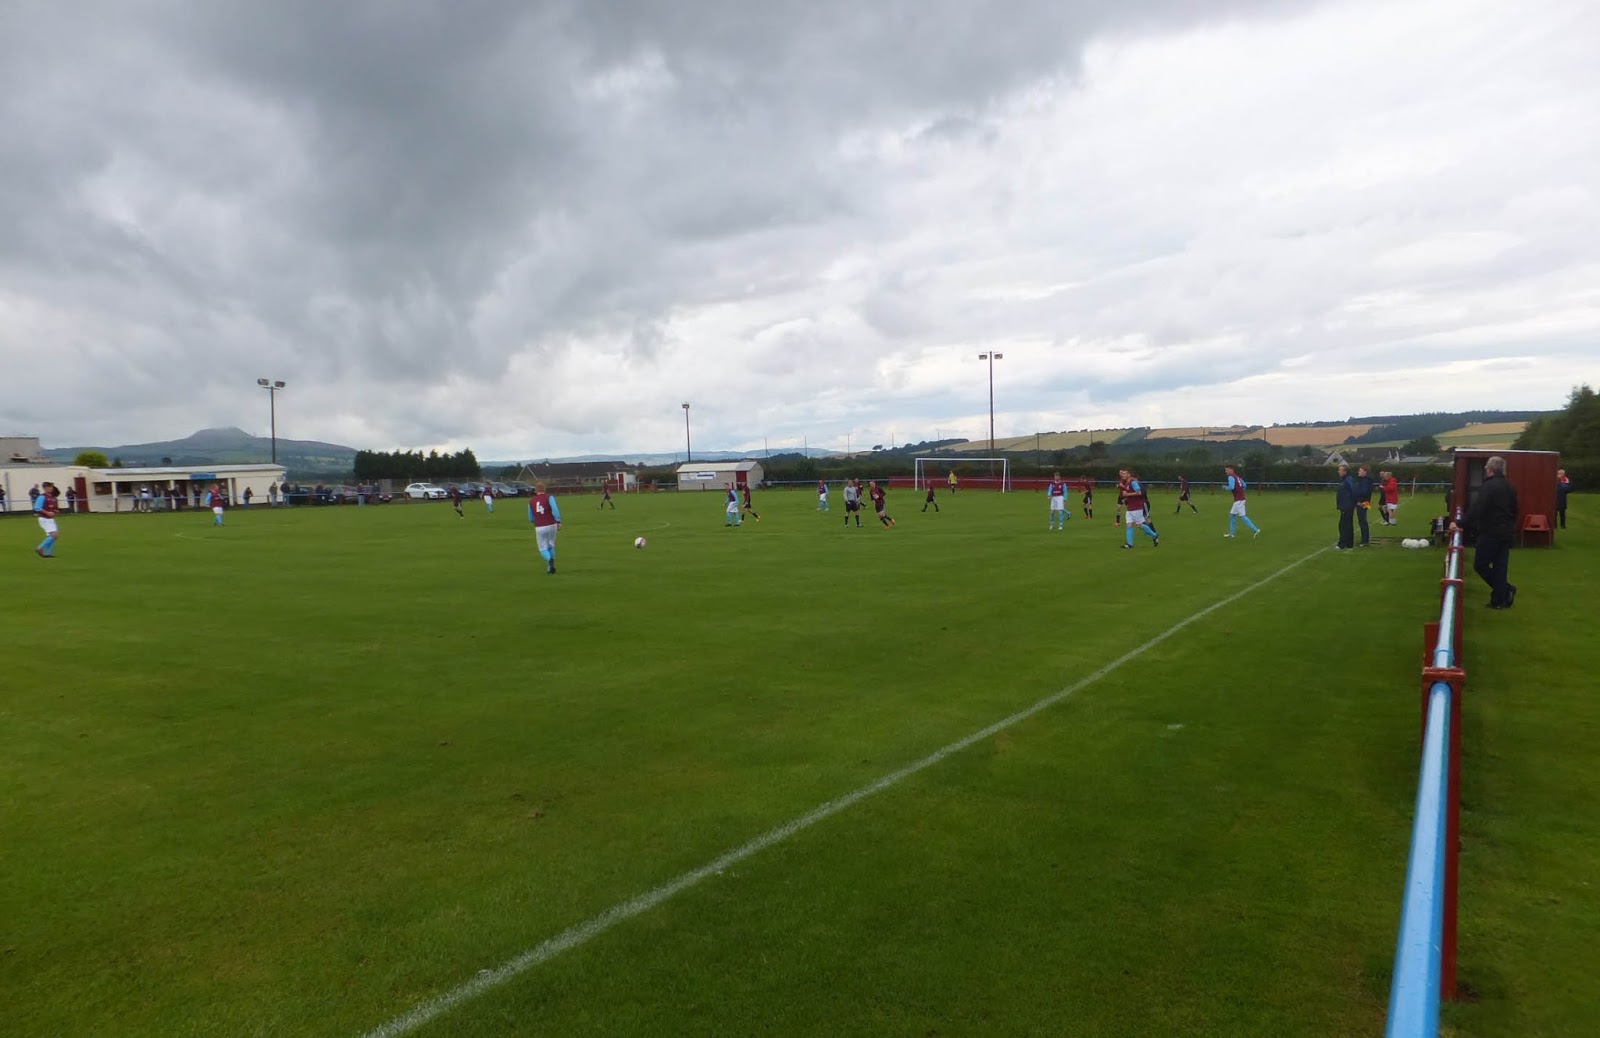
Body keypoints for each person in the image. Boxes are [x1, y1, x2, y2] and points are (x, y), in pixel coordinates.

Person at [1451, 456, 1518, 609]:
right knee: (1500, 567)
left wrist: (1460, 523)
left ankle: (1506, 589)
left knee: (1480, 565)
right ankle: (1499, 600)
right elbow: (1515, 510)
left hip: (1491, 532)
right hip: (1506, 532)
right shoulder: (1510, 486)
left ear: (1490, 469)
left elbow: (1478, 509)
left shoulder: (1489, 487)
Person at [1117, 469, 1160, 549]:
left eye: (1125, 473)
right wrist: (1126, 499)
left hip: (1137, 508)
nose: (1123, 475)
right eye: (1122, 474)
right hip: (1130, 508)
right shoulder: (1126, 483)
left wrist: (1127, 494)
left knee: (1140, 525)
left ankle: (1154, 535)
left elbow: (1139, 492)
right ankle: (1130, 544)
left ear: (1129, 475)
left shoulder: (1133, 482)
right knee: (1129, 525)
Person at [528, 481, 562, 573]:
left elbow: (530, 518)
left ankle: (549, 560)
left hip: (540, 526)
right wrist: (558, 521)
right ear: (545, 489)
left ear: (536, 491)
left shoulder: (531, 501)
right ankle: (550, 567)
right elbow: (555, 510)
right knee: (551, 545)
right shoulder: (549, 497)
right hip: (552, 524)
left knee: (543, 548)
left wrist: (537, 520)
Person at [1223, 464, 1261, 539]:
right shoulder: (1237, 476)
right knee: (1232, 515)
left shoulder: (1230, 477)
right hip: (1240, 499)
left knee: (1243, 516)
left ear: (1231, 469)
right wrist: (1241, 493)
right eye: (1225, 470)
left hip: (1238, 500)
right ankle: (1232, 534)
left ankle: (1256, 530)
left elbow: (1231, 487)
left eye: (1227, 470)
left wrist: (1225, 487)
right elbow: (1244, 485)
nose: (1226, 472)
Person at [34, 482, 61, 558]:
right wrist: (47, 512)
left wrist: (55, 512)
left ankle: (47, 553)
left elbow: (55, 509)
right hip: (44, 519)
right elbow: (37, 507)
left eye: (51, 487)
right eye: (48, 487)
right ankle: (40, 548)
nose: (50, 488)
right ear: (45, 488)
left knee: (54, 536)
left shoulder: (53, 498)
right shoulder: (42, 497)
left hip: (51, 519)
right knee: (54, 535)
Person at [1334, 464, 1357, 551]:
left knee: (1343, 525)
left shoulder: (1348, 480)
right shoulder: (1343, 480)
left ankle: (1342, 544)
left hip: (1347, 506)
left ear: (1345, 471)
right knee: (1347, 524)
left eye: (1340, 470)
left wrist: (1350, 504)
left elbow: (1354, 491)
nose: (1338, 472)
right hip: (1345, 505)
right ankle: (1349, 544)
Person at [1354, 465, 1374, 547]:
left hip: (1363, 503)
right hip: (1365, 502)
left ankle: (1365, 540)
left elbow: (1364, 492)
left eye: (1360, 470)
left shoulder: (1365, 481)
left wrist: (1357, 497)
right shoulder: (1365, 480)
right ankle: (1364, 539)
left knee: (1363, 521)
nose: (1358, 472)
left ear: (1365, 472)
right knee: (1362, 521)